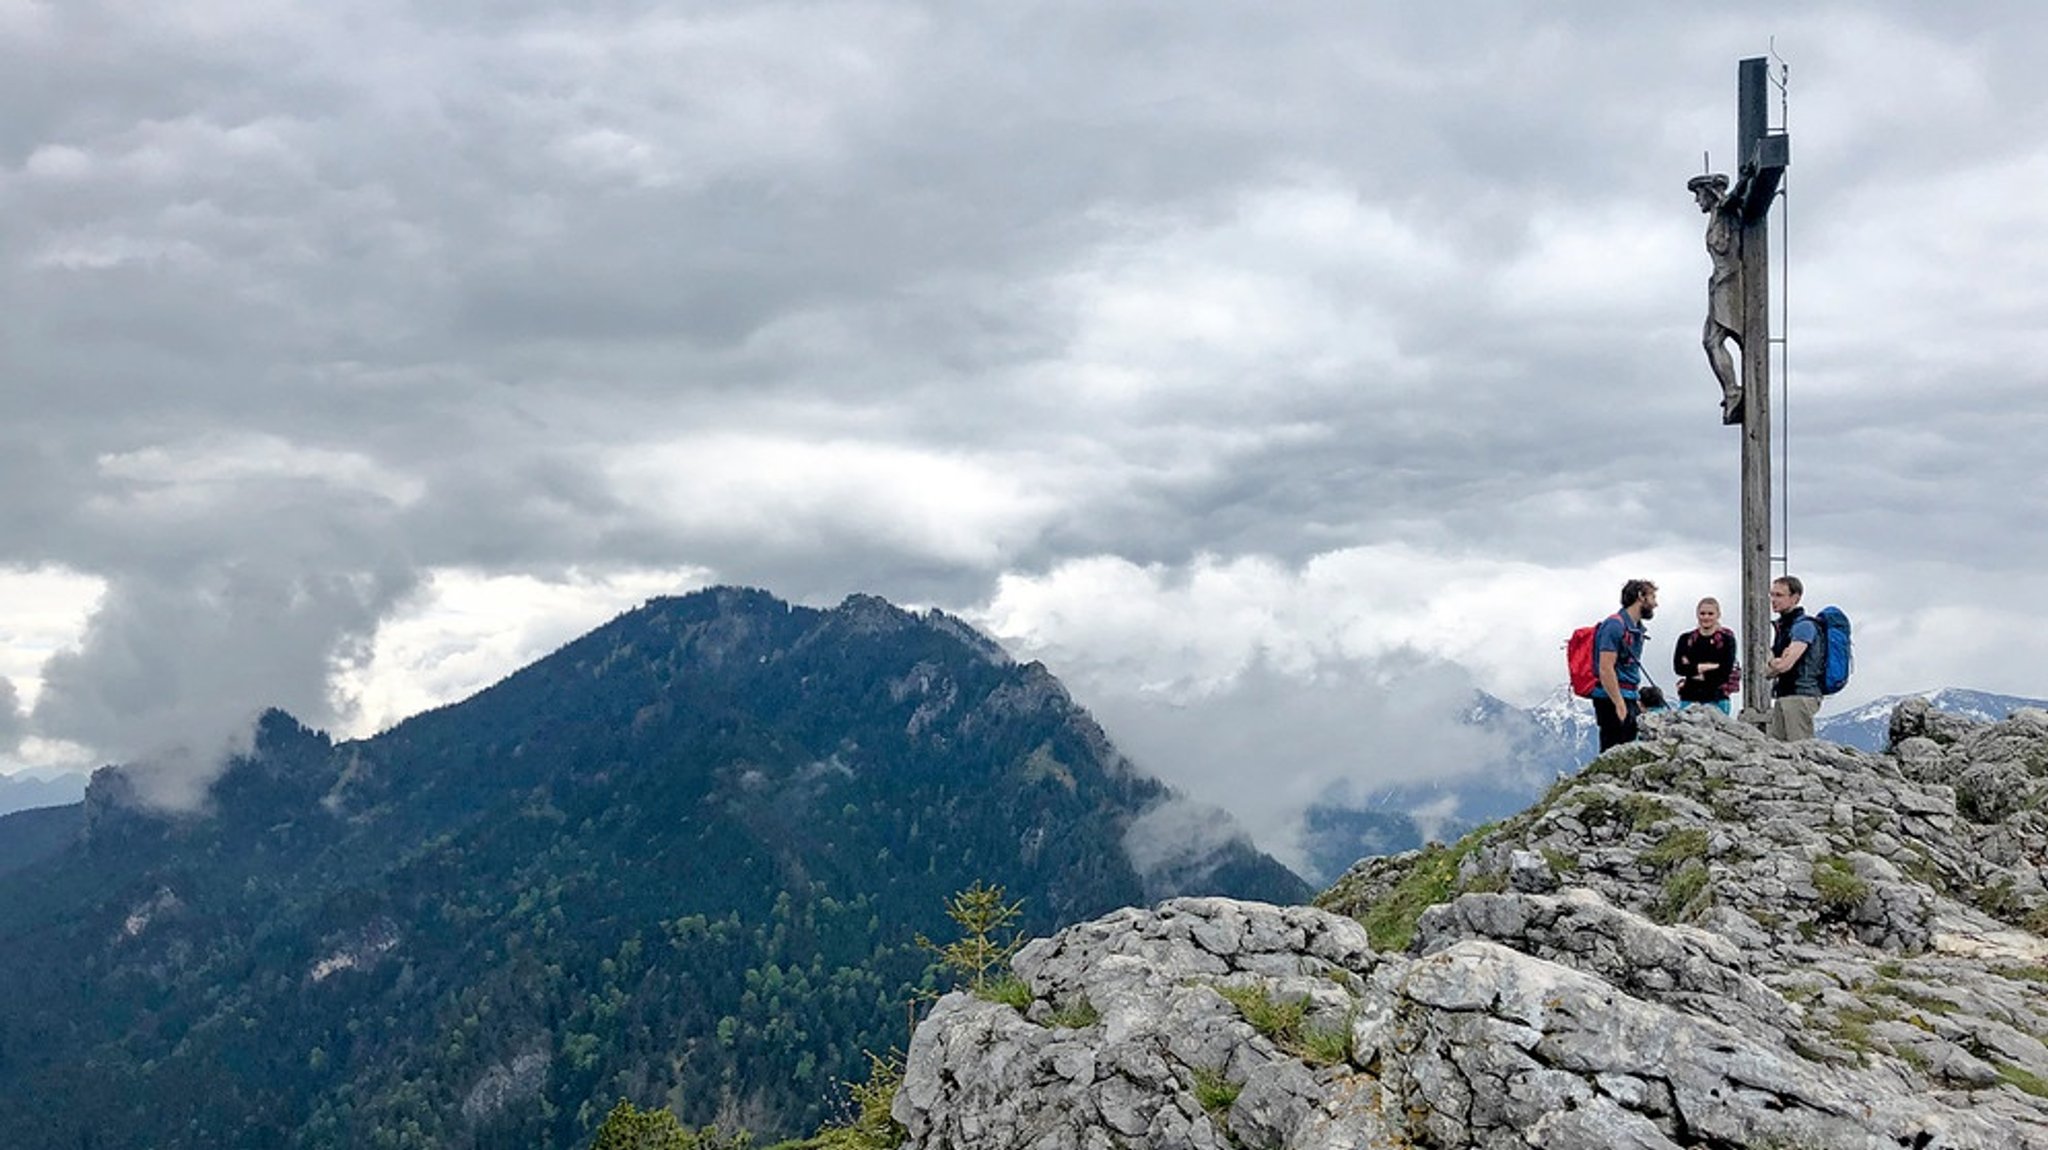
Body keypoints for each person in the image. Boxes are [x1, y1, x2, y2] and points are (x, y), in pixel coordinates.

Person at [1689, 172, 1745, 424]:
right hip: (1719, 283)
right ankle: (1731, 390)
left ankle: (1734, 390)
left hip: (1730, 282)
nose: (1697, 200)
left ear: (1709, 192)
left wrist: (1746, 179)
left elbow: (1734, 199)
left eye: (1699, 194)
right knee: (1710, 341)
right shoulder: (1715, 216)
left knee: (1715, 340)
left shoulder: (1724, 210)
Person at [1591, 579, 1658, 751]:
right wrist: (1619, 703)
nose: (1655, 604)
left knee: (1625, 747)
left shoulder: (1636, 629)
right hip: (1612, 699)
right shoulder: (1614, 626)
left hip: (1628, 696)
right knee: (1613, 749)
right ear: (1640, 597)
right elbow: (1606, 668)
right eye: (1652, 597)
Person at [1764, 575, 1823, 740]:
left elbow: (1783, 666)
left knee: (1800, 749)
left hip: (1801, 696)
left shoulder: (1803, 627)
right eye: (1772, 595)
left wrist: (1776, 662)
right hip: (1786, 696)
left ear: (1795, 598)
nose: (1773, 600)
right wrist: (1776, 662)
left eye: (1779, 595)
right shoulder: (1785, 628)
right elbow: (1770, 669)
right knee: (1778, 751)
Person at [1673, 597, 1739, 714]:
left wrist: (1693, 670)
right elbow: (1679, 668)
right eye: (1702, 613)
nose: (1706, 617)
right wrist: (1707, 667)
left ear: (1718, 615)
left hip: (1717, 700)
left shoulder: (1727, 640)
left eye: (1710, 613)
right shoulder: (1685, 639)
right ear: (1697, 615)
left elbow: (1725, 671)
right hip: (1689, 699)